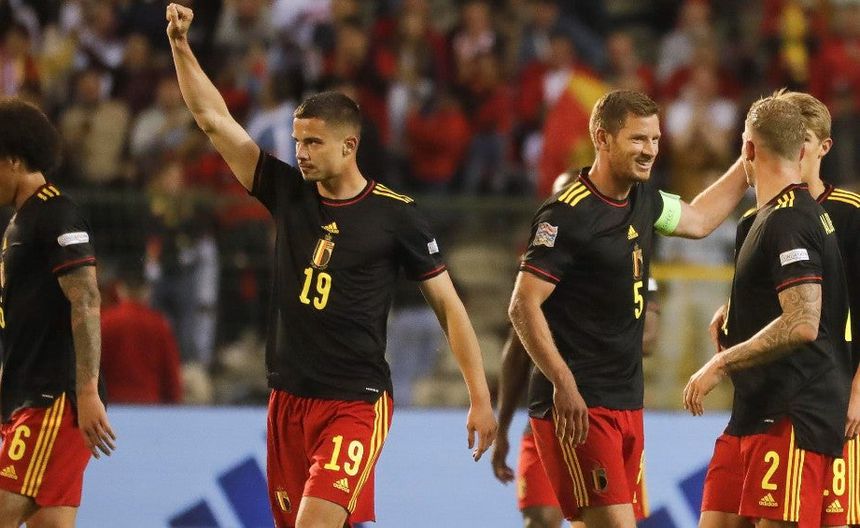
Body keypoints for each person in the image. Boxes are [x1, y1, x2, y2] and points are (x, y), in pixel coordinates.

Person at [165, 5, 497, 528]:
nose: (300, 152)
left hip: (355, 403)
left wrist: (479, 396)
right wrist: (181, 46)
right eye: (298, 141)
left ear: (349, 145)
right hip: (287, 401)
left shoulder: (396, 216)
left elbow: (449, 308)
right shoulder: (287, 193)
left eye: (313, 142)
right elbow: (214, 120)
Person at [508, 89, 748, 527]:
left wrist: (747, 163)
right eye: (638, 139)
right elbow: (523, 305)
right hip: (581, 405)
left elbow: (697, 220)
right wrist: (563, 382)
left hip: (626, 402)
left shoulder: (643, 199)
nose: (650, 150)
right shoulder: (567, 214)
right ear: (602, 138)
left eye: (655, 139)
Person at [685, 93, 850, 527]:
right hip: (753, 410)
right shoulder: (762, 218)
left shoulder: (793, 218)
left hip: (793, 414)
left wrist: (720, 362)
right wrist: (737, 312)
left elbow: (802, 323)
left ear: (747, 149)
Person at [492, 171, 660, 528]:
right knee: (542, 519)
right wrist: (502, 427)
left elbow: (649, 338)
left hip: (610, 407)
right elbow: (517, 350)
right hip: (555, 411)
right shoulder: (538, 269)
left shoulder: (627, 256)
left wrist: (609, 327)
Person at [0, 98, 116, 527]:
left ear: (13, 160)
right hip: (28, 396)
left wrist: (86, 392)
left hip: (52, 399)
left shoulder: (56, 214)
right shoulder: (23, 221)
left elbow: (85, 299)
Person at [100, 267, 183, 404]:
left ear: (120, 289)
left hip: (112, 405)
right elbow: (171, 376)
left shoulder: (106, 321)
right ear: (147, 291)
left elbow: (94, 369)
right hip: (150, 406)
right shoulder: (159, 325)